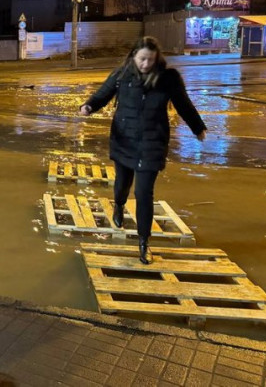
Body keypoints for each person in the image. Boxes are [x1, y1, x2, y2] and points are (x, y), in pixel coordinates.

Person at [79, 36, 206, 264]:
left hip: (152, 142)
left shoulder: (169, 79)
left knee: (144, 193)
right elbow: (102, 95)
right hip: (124, 140)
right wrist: (88, 106)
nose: (146, 64)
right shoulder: (122, 75)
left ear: (157, 59)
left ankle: (144, 243)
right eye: (142, 59)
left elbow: (184, 104)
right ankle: (118, 205)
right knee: (122, 185)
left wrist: (198, 128)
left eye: (150, 60)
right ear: (133, 57)